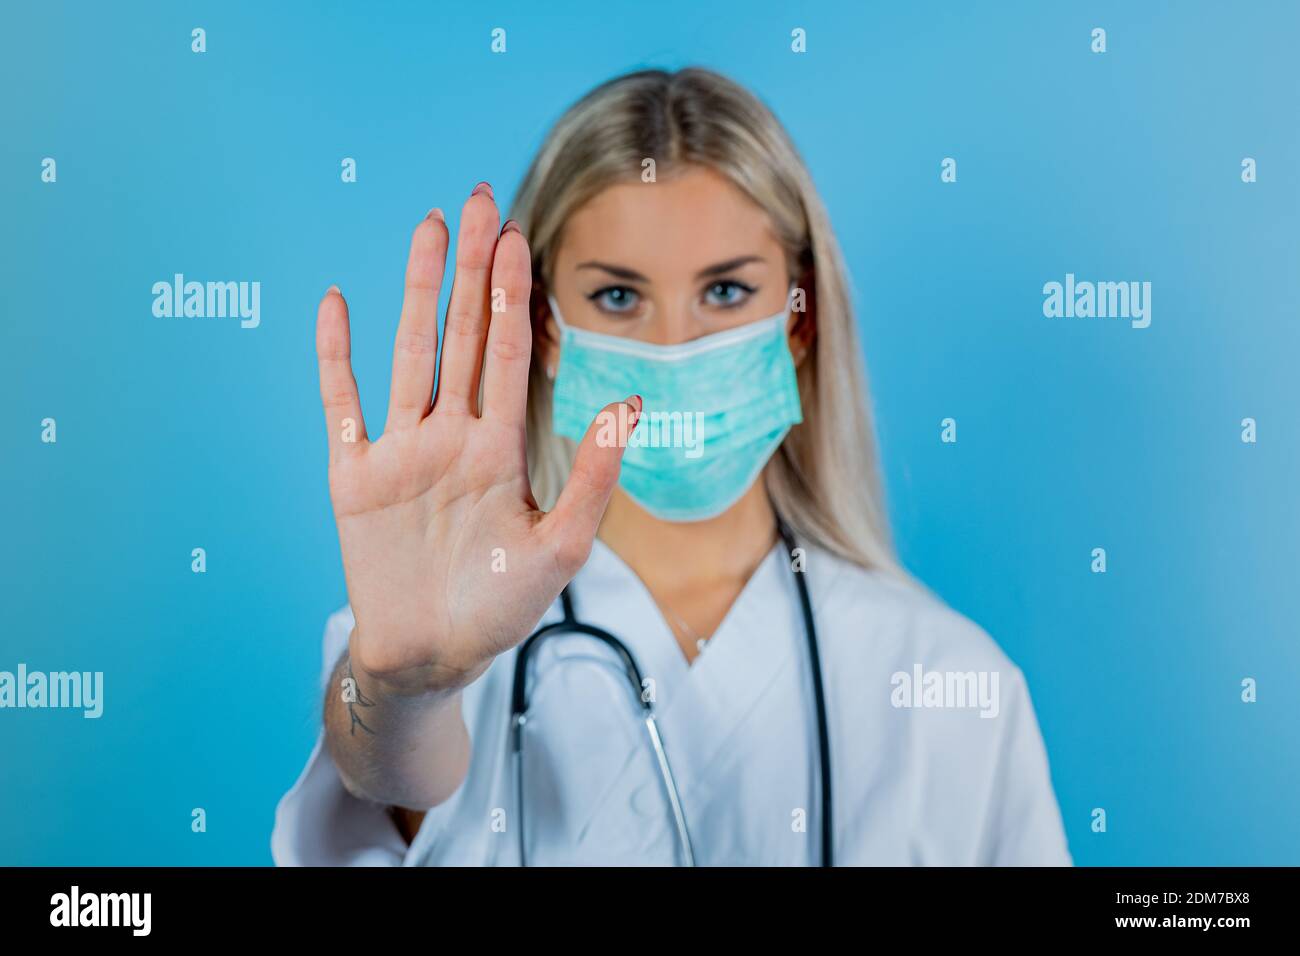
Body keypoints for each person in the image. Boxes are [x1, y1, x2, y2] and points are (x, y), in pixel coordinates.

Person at [271, 67, 1071, 866]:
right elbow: (387, 771)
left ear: (800, 320)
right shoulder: (450, 617)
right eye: (618, 298)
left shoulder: (951, 680)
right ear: (547, 329)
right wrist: (403, 688)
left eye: (726, 291)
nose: (673, 347)